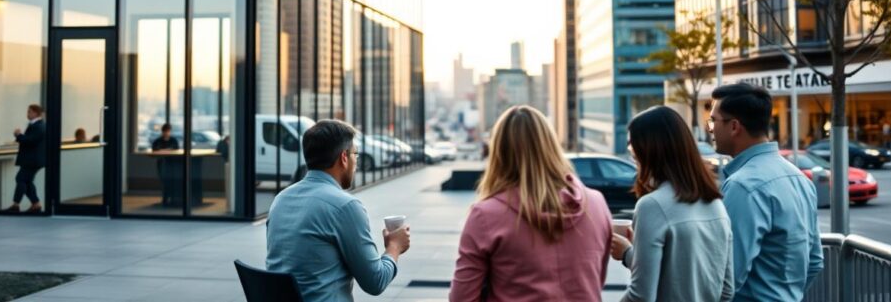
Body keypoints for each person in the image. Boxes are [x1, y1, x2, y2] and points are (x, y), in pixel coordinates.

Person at [449, 105, 612, 301]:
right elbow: (595, 281)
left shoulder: (485, 216)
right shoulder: (596, 203)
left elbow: (462, 298)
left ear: (499, 152)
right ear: (551, 146)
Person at [267, 119, 409, 302]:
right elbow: (375, 282)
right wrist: (394, 246)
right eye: (355, 154)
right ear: (344, 158)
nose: (356, 163)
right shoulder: (345, 206)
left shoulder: (281, 199)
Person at [708, 83, 823, 302]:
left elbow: (727, 276)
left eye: (714, 120)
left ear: (734, 126)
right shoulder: (799, 178)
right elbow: (815, 261)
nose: (711, 128)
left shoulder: (743, 186)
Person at [610, 106, 733, 301]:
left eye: (634, 150)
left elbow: (641, 296)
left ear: (649, 152)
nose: (633, 158)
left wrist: (628, 254)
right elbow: (726, 291)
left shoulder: (651, 206)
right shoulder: (716, 204)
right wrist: (631, 253)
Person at [7, 104, 47, 214]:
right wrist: (20, 137)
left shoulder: (39, 126)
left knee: (20, 179)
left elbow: (30, 141)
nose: (27, 114)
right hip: (33, 159)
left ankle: (16, 205)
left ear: (36, 113)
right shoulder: (37, 125)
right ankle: (36, 204)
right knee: (27, 181)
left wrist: (18, 135)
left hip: (32, 160)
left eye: (29, 111)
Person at [152, 123, 180, 206]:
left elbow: (177, 149)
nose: (166, 133)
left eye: (168, 131)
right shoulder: (158, 141)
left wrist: (163, 150)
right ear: (162, 132)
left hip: (172, 163)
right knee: (164, 181)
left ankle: (172, 198)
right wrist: (168, 150)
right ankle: (165, 199)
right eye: (165, 131)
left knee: (172, 181)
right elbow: (154, 149)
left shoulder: (173, 140)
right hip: (162, 162)